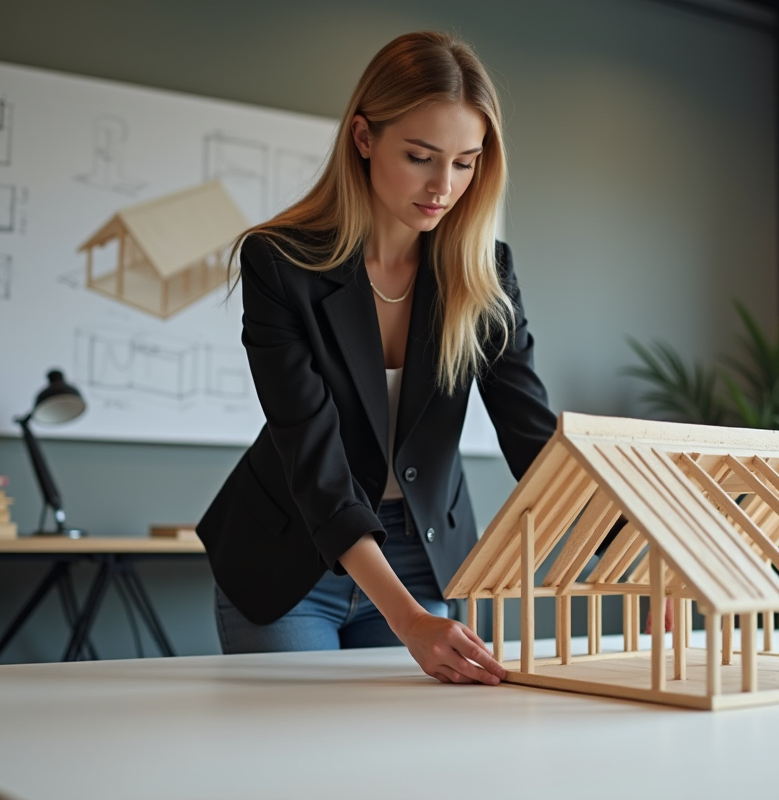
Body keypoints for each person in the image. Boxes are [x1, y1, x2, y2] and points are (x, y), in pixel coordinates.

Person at [197, 31, 558, 687]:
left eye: (465, 162)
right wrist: (408, 620)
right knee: (305, 762)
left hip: (427, 554)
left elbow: (533, 434)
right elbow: (314, 456)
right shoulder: (280, 263)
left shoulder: (486, 274)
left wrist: (651, 555)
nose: (443, 187)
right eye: (420, 156)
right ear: (364, 137)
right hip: (292, 560)